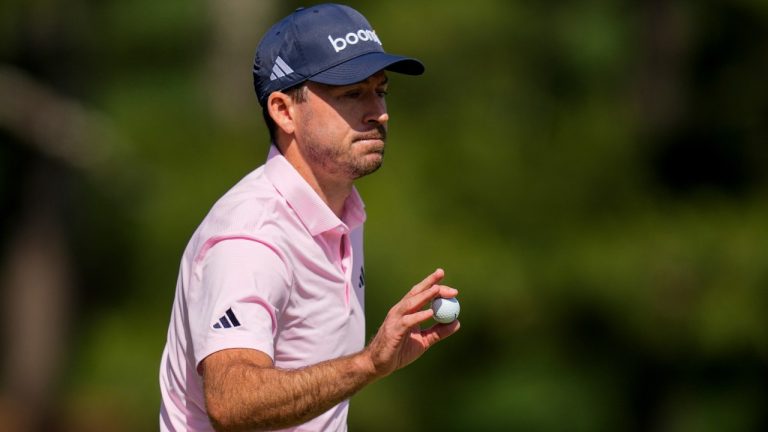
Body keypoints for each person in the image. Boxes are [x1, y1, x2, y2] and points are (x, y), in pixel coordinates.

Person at [158, 4, 461, 431]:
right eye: (352, 94)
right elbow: (232, 402)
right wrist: (368, 364)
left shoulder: (341, 212)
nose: (379, 111)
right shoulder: (250, 238)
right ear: (284, 111)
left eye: (381, 90)